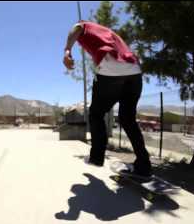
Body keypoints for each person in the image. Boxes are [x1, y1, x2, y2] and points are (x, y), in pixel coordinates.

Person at [63, 20, 152, 180]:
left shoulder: (84, 25)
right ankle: (144, 166)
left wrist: (67, 50)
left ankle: (97, 157)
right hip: (135, 71)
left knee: (96, 114)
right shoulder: (109, 33)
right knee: (128, 119)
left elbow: (76, 29)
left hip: (111, 67)